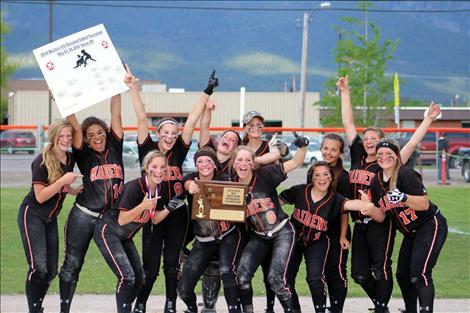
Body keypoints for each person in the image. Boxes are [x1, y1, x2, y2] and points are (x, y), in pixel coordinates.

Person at [338, 75, 441, 313]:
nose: (369, 142)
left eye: (375, 139)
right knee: (359, 274)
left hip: (380, 221)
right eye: (366, 139)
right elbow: (348, 123)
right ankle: (381, 304)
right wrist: (345, 92)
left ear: (383, 143)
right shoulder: (358, 156)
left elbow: (412, 143)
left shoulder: (390, 162)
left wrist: (427, 119)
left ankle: (382, 306)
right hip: (359, 221)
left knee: (381, 268)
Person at [127, 66, 218, 313]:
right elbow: (141, 117)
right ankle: (141, 304)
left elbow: (192, 119)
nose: (169, 136)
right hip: (153, 213)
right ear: (158, 134)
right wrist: (133, 88)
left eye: (173, 133)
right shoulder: (147, 150)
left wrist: (207, 91)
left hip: (177, 214)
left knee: (171, 264)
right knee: (151, 266)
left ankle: (170, 304)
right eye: (165, 132)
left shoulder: (179, 150)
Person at [352, 139, 447, 313]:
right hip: (411, 233)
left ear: (396, 156)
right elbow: (381, 217)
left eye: (389, 154)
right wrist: (370, 208)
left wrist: (403, 197)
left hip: (430, 225)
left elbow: (424, 204)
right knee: (403, 276)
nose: (384, 157)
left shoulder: (405, 174)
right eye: (380, 154)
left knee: (420, 274)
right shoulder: (376, 182)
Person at [93, 151, 184, 313]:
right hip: (108, 232)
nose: (159, 171)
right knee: (127, 277)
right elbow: (122, 219)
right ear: (147, 168)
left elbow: (155, 219)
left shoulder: (159, 188)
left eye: (163, 167)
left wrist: (170, 207)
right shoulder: (135, 187)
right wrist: (142, 206)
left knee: (140, 278)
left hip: (125, 237)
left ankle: (126, 307)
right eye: (155, 166)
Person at [59, 93, 124, 313]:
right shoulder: (84, 155)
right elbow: (75, 127)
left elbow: (116, 113)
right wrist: (62, 99)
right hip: (84, 215)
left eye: (100, 132)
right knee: (72, 264)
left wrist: (116, 87)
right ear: (85, 140)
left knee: (126, 270)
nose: (97, 137)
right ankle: (64, 309)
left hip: (110, 219)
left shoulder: (115, 146)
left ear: (106, 133)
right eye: (91, 135)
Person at [233, 134, 309, 313]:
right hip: (259, 236)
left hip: (282, 231)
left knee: (276, 280)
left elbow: (295, 163)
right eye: (239, 160)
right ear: (234, 163)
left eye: (247, 160)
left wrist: (302, 147)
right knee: (242, 276)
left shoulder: (265, 174)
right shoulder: (230, 186)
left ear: (253, 163)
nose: (243, 164)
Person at [280, 161, 369, 313]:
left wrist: (364, 203)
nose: (322, 179)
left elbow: (350, 205)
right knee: (285, 279)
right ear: (312, 178)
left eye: (326, 175)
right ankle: (293, 310)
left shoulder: (335, 198)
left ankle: (320, 310)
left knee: (314, 278)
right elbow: (276, 202)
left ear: (331, 178)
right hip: (294, 240)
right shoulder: (300, 190)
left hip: (317, 241)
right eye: (317, 175)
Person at [17, 120, 82, 313]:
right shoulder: (41, 161)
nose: (65, 139)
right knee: (39, 267)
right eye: (61, 136)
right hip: (32, 215)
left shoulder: (70, 159)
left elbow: (59, 187)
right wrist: (63, 180)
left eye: (69, 136)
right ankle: (34, 309)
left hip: (50, 219)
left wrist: (73, 190)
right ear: (53, 137)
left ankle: (37, 305)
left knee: (52, 269)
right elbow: (41, 195)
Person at [178, 147, 245, 313]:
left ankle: (227, 309)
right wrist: (189, 186)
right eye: (200, 161)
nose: (204, 164)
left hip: (227, 235)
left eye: (208, 161)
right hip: (204, 239)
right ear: (195, 165)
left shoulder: (224, 178)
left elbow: (235, 192)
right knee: (184, 288)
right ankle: (192, 309)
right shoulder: (191, 180)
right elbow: (185, 181)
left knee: (225, 271)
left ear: (215, 165)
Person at [320, 134, 351, 313]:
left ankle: (336, 308)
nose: (328, 152)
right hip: (319, 229)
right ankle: (323, 307)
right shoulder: (316, 171)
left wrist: (342, 235)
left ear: (340, 153)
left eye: (333, 149)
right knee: (320, 272)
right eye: (326, 148)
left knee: (336, 272)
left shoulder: (343, 177)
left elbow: (344, 210)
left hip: (338, 230)